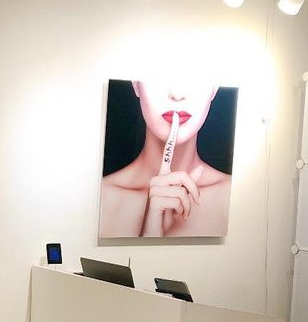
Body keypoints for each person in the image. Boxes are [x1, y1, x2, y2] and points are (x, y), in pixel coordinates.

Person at [99, 80, 232, 238]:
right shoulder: (99, 199)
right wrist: (148, 236)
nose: (177, 95)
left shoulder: (238, 200)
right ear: (135, 83)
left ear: (214, 87)